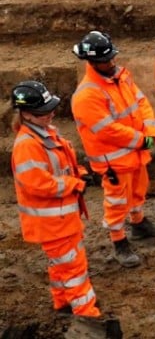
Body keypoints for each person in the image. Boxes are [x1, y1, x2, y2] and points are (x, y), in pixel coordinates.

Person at [71, 31, 155, 268]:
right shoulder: (86, 95)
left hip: (134, 152)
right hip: (114, 161)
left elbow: (142, 102)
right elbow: (107, 130)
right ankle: (119, 242)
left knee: (138, 190)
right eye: (106, 60)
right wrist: (141, 140)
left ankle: (138, 223)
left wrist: (150, 130)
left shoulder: (121, 77)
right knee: (116, 202)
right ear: (92, 62)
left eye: (112, 57)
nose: (112, 63)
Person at [10, 80, 105, 320]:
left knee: (60, 264)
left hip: (60, 217)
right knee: (74, 267)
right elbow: (37, 183)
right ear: (27, 114)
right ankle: (87, 314)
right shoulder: (27, 145)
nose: (50, 113)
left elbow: (60, 165)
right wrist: (74, 184)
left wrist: (79, 172)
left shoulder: (45, 133)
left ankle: (62, 301)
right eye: (44, 112)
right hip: (53, 222)